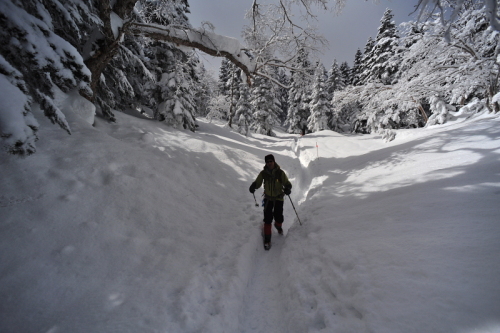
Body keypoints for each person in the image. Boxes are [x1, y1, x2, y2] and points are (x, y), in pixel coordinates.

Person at [249, 154, 292, 250]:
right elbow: (258, 182)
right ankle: (267, 240)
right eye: (267, 162)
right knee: (267, 218)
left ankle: (278, 226)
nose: (269, 163)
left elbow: (287, 183)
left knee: (278, 216)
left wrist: (288, 188)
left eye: (270, 161)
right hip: (268, 199)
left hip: (278, 198)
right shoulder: (263, 173)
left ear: (274, 161)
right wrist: (253, 186)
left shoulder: (280, 173)